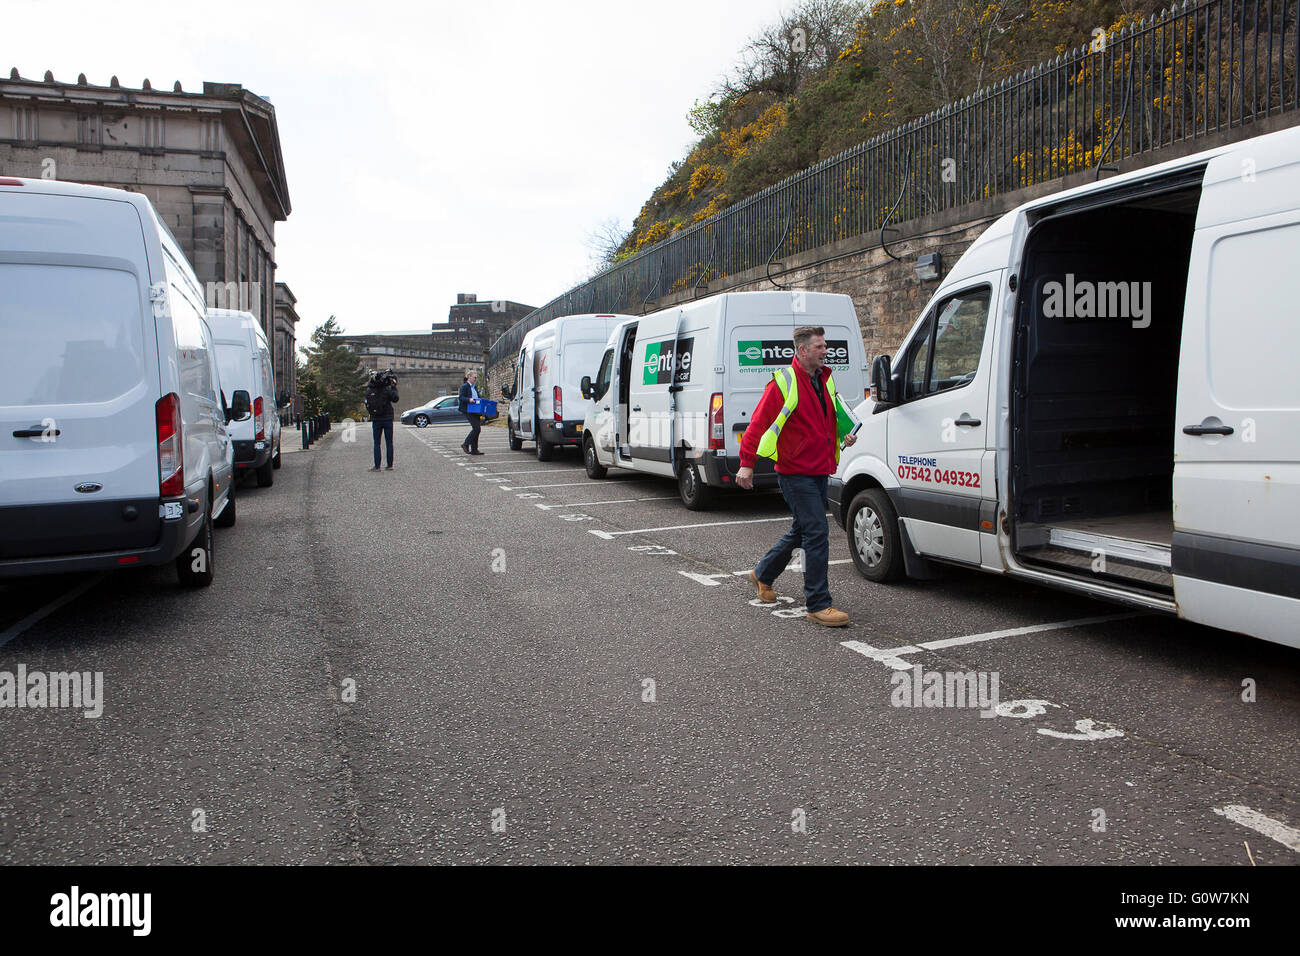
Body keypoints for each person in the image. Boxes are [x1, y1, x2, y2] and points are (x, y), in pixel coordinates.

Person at [737, 326, 858, 627]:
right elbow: (756, 424)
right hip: (794, 472)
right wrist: (746, 463)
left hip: (819, 468)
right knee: (816, 532)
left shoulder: (824, 379)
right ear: (802, 351)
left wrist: (844, 435)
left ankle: (763, 573)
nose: (825, 350)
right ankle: (818, 604)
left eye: (825, 345)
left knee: (802, 530)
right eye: (819, 346)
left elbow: (826, 419)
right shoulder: (783, 383)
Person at [364, 369, 399, 471]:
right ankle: (389, 465)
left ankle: (377, 466)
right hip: (387, 418)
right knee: (389, 442)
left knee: (377, 443)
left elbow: (367, 403)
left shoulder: (370, 390)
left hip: (376, 418)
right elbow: (395, 399)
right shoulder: (387, 389)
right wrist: (393, 386)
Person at [458, 369, 484, 455]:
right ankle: (465, 444)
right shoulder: (465, 386)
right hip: (468, 410)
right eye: (474, 378)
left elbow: (478, 397)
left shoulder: (474, 387)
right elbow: (461, 397)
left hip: (476, 410)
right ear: (469, 377)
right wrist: (469, 399)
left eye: (476, 378)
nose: (475, 379)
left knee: (476, 429)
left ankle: (474, 449)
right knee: (476, 428)